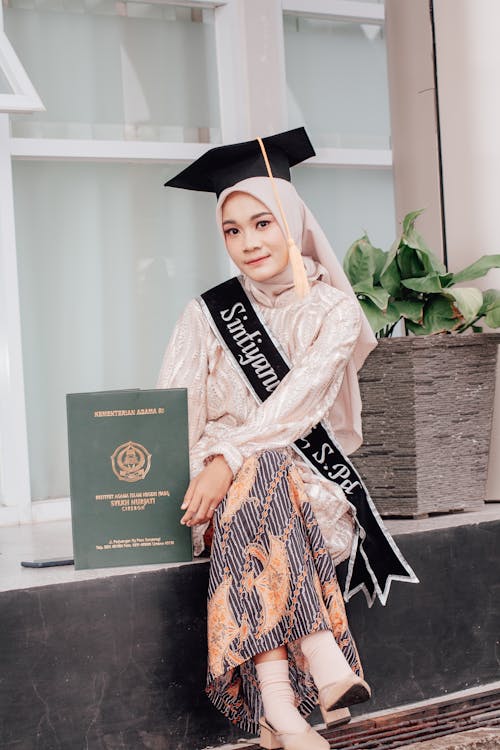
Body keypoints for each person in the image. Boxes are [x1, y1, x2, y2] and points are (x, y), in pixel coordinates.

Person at [157, 128, 417, 750]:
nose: (248, 244)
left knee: (267, 467)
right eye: (232, 230)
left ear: (293, 221)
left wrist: (231, 456)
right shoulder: (206, 313)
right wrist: (209, 466)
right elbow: (175, 410)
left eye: (262, 223)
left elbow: (298, 408)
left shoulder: (332, 311)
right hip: (216, 494)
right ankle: (322, 657)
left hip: (306, 487)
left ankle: (277, 705)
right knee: (260, 472)